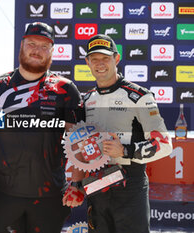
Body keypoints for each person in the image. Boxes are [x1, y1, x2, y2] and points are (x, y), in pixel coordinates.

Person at [0, 22, 85, 233]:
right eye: (32, 43)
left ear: (52, 51)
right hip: (4, 195)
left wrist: (76, 183)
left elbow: (77, 139)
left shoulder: (65, 90)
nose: (36, 50)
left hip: (50, 196)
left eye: (43, 46)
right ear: (22, 45)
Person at [66, 34, 173, 233]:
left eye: (105, 58)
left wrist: (124, 150)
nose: (100, 64)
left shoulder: (139, 96)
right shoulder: (86, 100)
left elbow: (165, 144)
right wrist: (75, 184)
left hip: (130, 185)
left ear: (116, 59)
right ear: (87, 62)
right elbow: (79, 148)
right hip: (96, 184)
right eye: (94, 59)